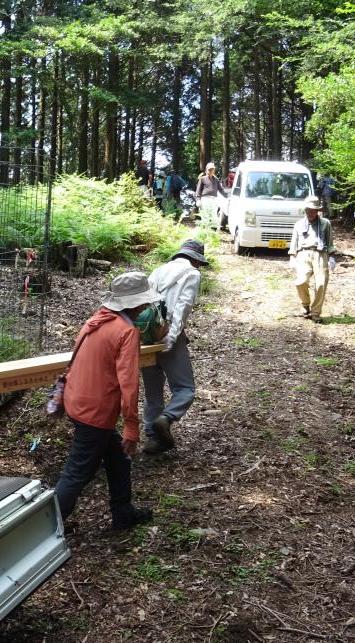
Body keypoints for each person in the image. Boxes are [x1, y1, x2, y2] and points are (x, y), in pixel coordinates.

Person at [53, 272, 158, 531]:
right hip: (95, 412)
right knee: (78, 472)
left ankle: (123, 514)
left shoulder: (97, 320)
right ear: (135, 304)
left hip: (77, 401)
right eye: (143, 303)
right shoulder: (126, 331)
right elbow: (129, 384)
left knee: (118, 458)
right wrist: (131, 426)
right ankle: (46, 527)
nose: (146, 307)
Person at [141, 239, 208, 455]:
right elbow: (183, 307)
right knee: (185, 388)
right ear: (196, 260)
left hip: (147, 337)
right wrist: (172, 336)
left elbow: (144, 303)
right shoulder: (192, 274)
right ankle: (167, 418)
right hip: (169, 336)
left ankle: (153, 439)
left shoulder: (158, 270)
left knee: (153, 394)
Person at [288, 196, 337, 323]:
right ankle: (305, 305)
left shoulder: (325, 223)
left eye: (313, 210)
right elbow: (294, 243)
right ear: (305, 209)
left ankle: (316, 312)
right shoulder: (298, 224)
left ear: (317, 211)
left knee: (321, 284)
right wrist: (292, 257)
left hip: (320, 253)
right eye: (308, 209)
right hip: (303, 254)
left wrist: (332, 257)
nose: (310, 212)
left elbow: (330, 242)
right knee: (300, 282)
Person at [194, 162, 224, 229]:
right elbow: (198, 190)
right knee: (205, 217)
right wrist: (198, 200)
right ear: (206, 170)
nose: (211, 171)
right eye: (209, 169)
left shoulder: (216, 180)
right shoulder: (202, 179)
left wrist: (227, 197)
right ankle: (204, 233)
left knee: (214, 217)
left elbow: (221, 190)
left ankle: (213, 234)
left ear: (214, 170)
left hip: (214, 200)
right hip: (205, 199)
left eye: (212, 169)